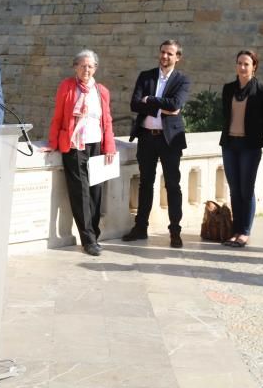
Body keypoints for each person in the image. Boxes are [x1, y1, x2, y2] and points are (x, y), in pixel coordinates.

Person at [42, 49, 117, 256]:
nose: (86, 69)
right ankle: (88, 239)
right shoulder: (67, 87)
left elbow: (107, 120)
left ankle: (94, 232)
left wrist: (109, 146)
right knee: (80, 193)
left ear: (95, 69)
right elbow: (58, 116)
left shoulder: (101, 91)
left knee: (95, 191)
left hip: (96, 145)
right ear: (75, 66)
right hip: (74, 145)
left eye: (90, 66)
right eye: (83, 65)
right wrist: (52, 142)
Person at [125, 40, 191, 247]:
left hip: (170, 140)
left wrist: (150, 100)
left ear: (177, 57)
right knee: (146, 183)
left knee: (172, 185)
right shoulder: (146, 76)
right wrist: (160, 106)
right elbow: (135, 104)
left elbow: (176, 104)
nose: (165, 56)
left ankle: (175, 231)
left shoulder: (182, 80)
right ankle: (140, 228)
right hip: (146, 137)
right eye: (162, 52)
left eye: (170, 54)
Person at [218, 50, 263, 248]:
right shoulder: (229, 89)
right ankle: (235, 230)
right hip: (230, 144)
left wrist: (259, 136)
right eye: (239, 63)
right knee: (234, 190)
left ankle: (245, 232)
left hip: (250, 146)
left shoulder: (261, 89)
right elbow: (225, 114)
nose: (242, 67)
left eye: (246, 64)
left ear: (254, 66)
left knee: (246, 190)